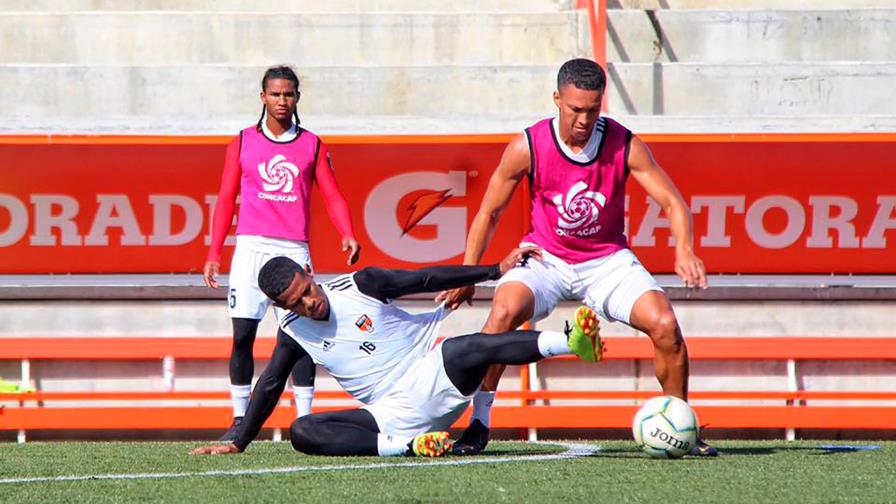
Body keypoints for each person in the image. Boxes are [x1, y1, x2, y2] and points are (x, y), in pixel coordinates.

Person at [436, 58, 716, 456]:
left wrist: (684, 247)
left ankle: (682, 427)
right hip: (546, 258)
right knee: (501, 315)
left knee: (666, 326)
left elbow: (672, 200)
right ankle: (479, 424)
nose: (584, 119)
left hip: (606, 262)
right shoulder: (528, 145)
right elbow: (489, 212)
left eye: (593, 109)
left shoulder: (623, 143)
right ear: (557, 100)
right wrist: (468, 275)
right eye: (575, 109)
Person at [191, 247, 603, 457]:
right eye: (295, 303)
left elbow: (423, 277)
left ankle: (570, 343)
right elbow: (269, 385)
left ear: (311, 275)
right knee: (302, 432)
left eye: (307, 291)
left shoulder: (361, 283)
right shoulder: (293, 332)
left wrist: (495, 270)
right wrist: (239, 441)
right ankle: (408, 448)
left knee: (467, 346)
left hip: (432, 374)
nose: (309, 304)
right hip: (389, 415)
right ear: (281, 308)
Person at [203, 65, 360, 441]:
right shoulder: (241, 142)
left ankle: (302, 419)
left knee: (300, 336)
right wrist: (213, 251)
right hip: (251, 247)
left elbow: (333, 195)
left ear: (297, 98)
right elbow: (226, 199)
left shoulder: (312, 144)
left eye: (288, 94)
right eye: (275, 94)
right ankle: (240, 419)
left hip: (293, 248)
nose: (281, 101)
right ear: (262, 97)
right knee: (243, 335)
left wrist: (348, 232)